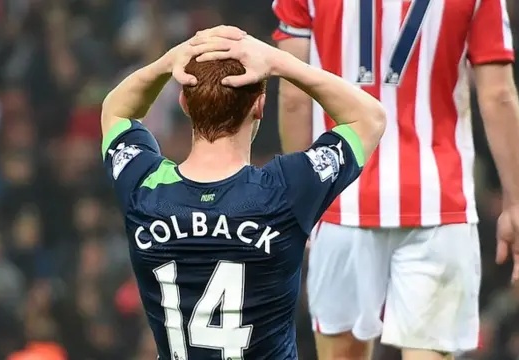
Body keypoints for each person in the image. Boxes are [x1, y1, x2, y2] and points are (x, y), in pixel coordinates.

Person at [100, 25, 385, 360]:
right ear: (260, 105)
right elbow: (369, 117)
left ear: (183, 103)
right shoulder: (285, 191)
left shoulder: (144, 190)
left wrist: (168, 62)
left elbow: (116, 110)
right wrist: (280, 62)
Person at [272, 0, 519, 359]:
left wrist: (304, 196)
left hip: (342, 197)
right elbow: (498, 95)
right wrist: (517, 204)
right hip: (438, 203)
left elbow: (293, 96)